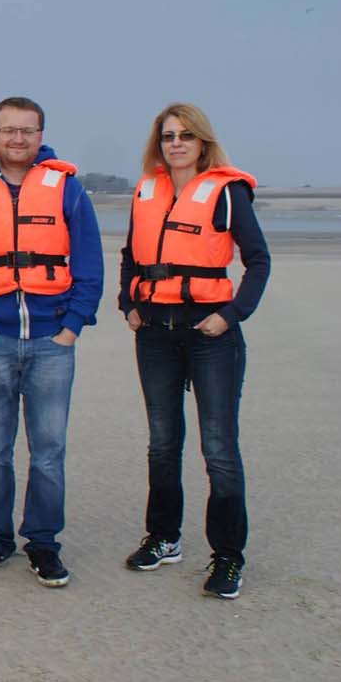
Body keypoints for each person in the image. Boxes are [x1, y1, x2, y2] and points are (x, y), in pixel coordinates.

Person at [0, 96, 102, 588]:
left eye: (27, 131)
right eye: (8, 130)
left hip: (53, 341)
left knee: (49, 451)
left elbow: (91, 264)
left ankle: (44, 543)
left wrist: (72, 325)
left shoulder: (67, 190)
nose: (17, 139)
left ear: (40, 135)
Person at [118, 103, 269, 599]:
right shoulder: (147, 190)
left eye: (185, 135)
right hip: (155, 332)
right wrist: (128, 304)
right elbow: (129, 255)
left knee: (219, 448)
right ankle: (164, 537)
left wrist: (231, 314)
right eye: (167, 136)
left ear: (202, 141)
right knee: (162, 442)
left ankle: (227, 557)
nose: (176, 143)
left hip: (210, 334)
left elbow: (258, 260)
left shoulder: (227, 192)